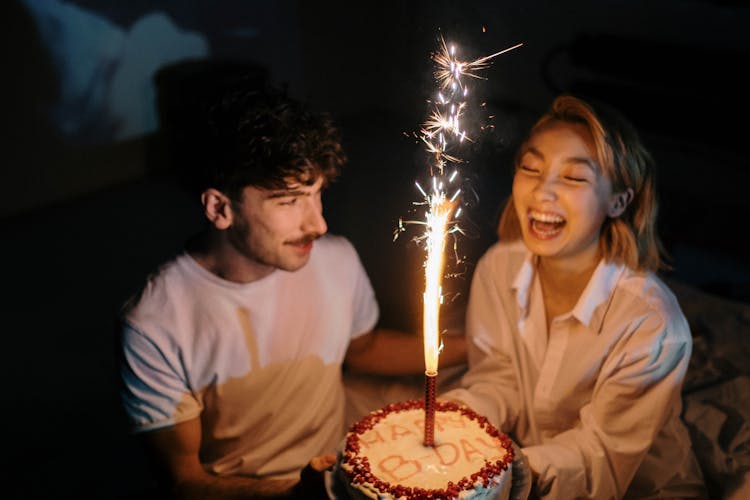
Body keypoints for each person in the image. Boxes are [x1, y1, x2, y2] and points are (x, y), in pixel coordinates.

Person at [117, 81, 466, 499]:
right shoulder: (155, 323)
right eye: (288, 201)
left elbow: (364, 348)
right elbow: (184, 481)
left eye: (317, 194)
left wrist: (473, 345)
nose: (317, 224)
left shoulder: (335, 258)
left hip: (341, 466)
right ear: (219, 208)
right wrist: (298, 493)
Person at [442, 94, 706, 499]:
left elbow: (600, 455)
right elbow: (498, 378)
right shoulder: (499, 268)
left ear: (618, 201)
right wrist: (455, 420)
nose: (542, 191)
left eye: (574, 177)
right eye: (531, 168)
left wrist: (507, 470)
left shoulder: (652, 324)